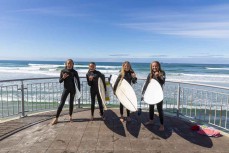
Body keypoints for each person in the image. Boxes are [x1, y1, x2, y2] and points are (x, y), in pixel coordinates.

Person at [51, 59, 80, 125]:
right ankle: (56, 118)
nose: (69, 64)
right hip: (66, 89)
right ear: (66, 64)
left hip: (73, 89)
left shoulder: (75, 72)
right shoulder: (63, 71)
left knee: (71, 103)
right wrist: (63, 77)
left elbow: (78, 81)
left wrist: (79, 91)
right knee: (62, 103)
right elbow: (60, 81)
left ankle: (70, 117)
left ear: (73, 64)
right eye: (68, 63)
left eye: (71, 63)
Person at [142, 61, 165, 131]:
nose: (154, 67)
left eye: (156, 66)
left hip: (158, 94)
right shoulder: (150, 74)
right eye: (153, 66)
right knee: (151, 108)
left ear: (158, 66)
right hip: (151, 93)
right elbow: (146, 84)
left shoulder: (162, 73)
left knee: (159, 109)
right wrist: (143, 93)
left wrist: (158, 76)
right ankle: (151, 120)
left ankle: (162, 125)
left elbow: (162, 82)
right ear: (151, 67)